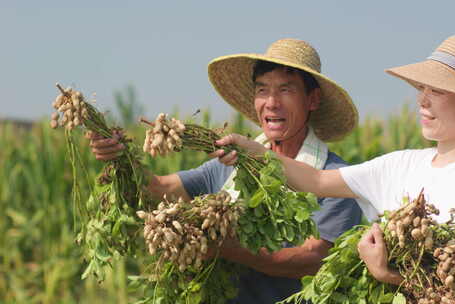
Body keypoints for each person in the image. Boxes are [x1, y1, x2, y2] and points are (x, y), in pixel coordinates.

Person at [214, 35, 455, 285]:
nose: (422, 101)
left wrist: (387, 274)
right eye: (422, 89)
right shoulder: (404, 164)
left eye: (436, 91)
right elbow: (316, 180)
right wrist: (254, 152)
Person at [87, 38, 363, 302]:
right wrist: (121, 159)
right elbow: (159, 189)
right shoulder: (230, 165)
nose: (272, 102)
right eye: (262, 90)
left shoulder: (335, 178)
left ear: (312, 100)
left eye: (286, 90)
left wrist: (226, 247)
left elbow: (310, 259)